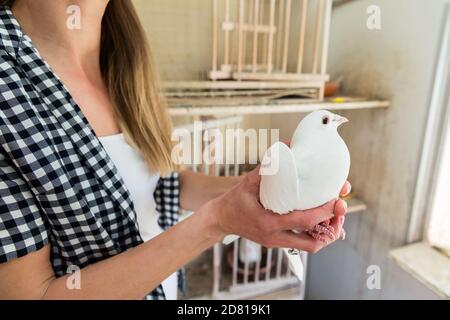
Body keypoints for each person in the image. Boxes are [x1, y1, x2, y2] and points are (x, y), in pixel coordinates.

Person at [0, 0, 350, 300]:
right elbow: (36, 294)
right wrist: (215, 223)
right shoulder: (7, 85)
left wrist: (262, 190)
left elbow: (161, 184)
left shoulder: (123, 59)